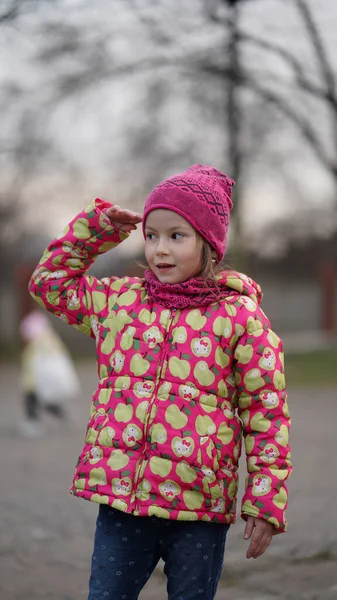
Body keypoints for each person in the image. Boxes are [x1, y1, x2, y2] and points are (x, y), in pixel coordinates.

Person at [28, 165, 292, 599]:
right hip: (122, 505)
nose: (159, 250)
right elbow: (50, 285)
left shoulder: (240, 319)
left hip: (199, 511)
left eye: (176, 236)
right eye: (151, 235)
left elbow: (267, 413)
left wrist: (264, 500)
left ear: (209, 242)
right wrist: (94, 232)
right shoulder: (120, 303)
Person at [19, 309, 79, 436]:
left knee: (32, 402)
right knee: (47, 402)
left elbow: (31, 365)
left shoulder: (35, 346)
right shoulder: (52, 340)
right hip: (45, 382)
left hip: (34, 383)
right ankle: (63, 415)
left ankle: (33, 423)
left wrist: (28, 382)